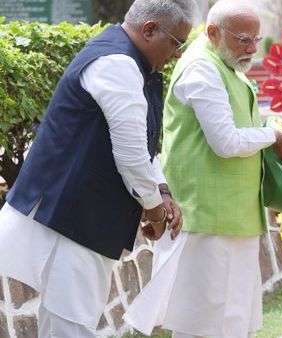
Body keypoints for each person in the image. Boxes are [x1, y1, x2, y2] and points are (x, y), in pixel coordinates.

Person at [0, 0, 200, 336]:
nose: (178, 53)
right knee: (71, 326)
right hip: (72, 218)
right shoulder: (117, 63)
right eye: (178, 42)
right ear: (150, 29)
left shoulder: (129, 60)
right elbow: (131, 155)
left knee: (65, 324)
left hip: (78, 217)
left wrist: (162, 192)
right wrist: (154, 212)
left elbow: (142, 143)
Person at [123, 1, 282, 337]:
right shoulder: (201, 68)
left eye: (255, 40)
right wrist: (271, 135)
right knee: (200, 324)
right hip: (204, 220)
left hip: (231, 218)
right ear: (213, 32)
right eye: (242, 39)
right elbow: (226, 141)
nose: (250, 48)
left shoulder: (224, 62)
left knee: (231, 323)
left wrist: (267, 128)